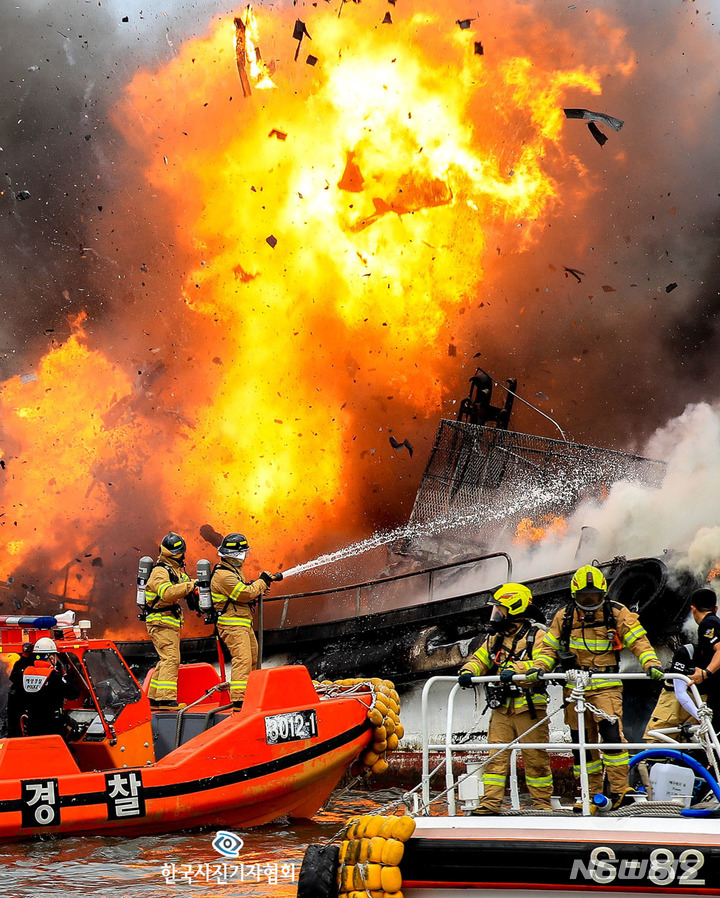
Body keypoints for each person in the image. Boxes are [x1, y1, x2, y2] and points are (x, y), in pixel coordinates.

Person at [526, 564, 664, 808]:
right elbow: (549, 649)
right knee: (581, 745)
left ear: (604, 594)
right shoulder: (564, 617)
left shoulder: (616, 613)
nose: (590, 602)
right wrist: (540, 667)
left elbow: (638, 640)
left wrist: (651, 663)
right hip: (575, 690)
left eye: (594, 597)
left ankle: (620, 791)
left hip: (605, 686)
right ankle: (590, 795)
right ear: (574, 595)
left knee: (612, 738)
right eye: (584, 597)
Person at [457, 583, 553, 815]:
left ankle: (542, 805)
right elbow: (479, 659)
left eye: (500, 610)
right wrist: (467, 672)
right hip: (502, 709)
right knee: (495, 758)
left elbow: (544, 662)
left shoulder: (537, 636)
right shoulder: (495, 639)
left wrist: (516, 670)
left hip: (529, 709)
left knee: (536, 760)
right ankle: (490, 803)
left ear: (515, 609)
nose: (496, 615)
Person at [211, 533, 273, 709]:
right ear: (236, 554)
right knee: (243, 659)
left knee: (253, 658)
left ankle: (251, 695)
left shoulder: (233, 570)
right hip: (232, 626)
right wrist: (261, 583)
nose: (246, 555)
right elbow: (244, 594)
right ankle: (239, 700)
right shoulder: (224, 575)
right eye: (244, 552)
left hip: (242, 623)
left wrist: (257, 587)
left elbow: (242, 592)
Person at [145, 532, 197, 710]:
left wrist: (197, 584)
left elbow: (186, 582)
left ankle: (154, 699)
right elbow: (167, 593)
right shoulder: (160, 571)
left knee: (165, 659)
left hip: (166, 622)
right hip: (160, 622)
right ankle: (167, 700)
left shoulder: (173, 570)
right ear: (179, 553)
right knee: (171, 659)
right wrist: (190, 586)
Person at [17, 637, 79, 739]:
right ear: (52, 658)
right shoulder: (54, 676)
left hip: (32, 727)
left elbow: (13, 676)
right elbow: (73, 694)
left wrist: (24, 657)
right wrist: (65, 674)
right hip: (52, 729)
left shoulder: (25, 674)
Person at [643, 641, 699, 743]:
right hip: (673, 698)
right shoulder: (687, 652)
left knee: (699, 742)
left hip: (703, 700)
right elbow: (680, 693)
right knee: (658, 740)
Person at [688, 587, 720, 726]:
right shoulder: (715, 621)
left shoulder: (708, 624)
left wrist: (706, 673)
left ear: (693, 609)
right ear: (716, 608)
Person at [6, 642, 34, 737]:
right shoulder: (21, 664)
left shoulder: (22, 663)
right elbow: (13, 677)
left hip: (24, 696)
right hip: (21, 697)